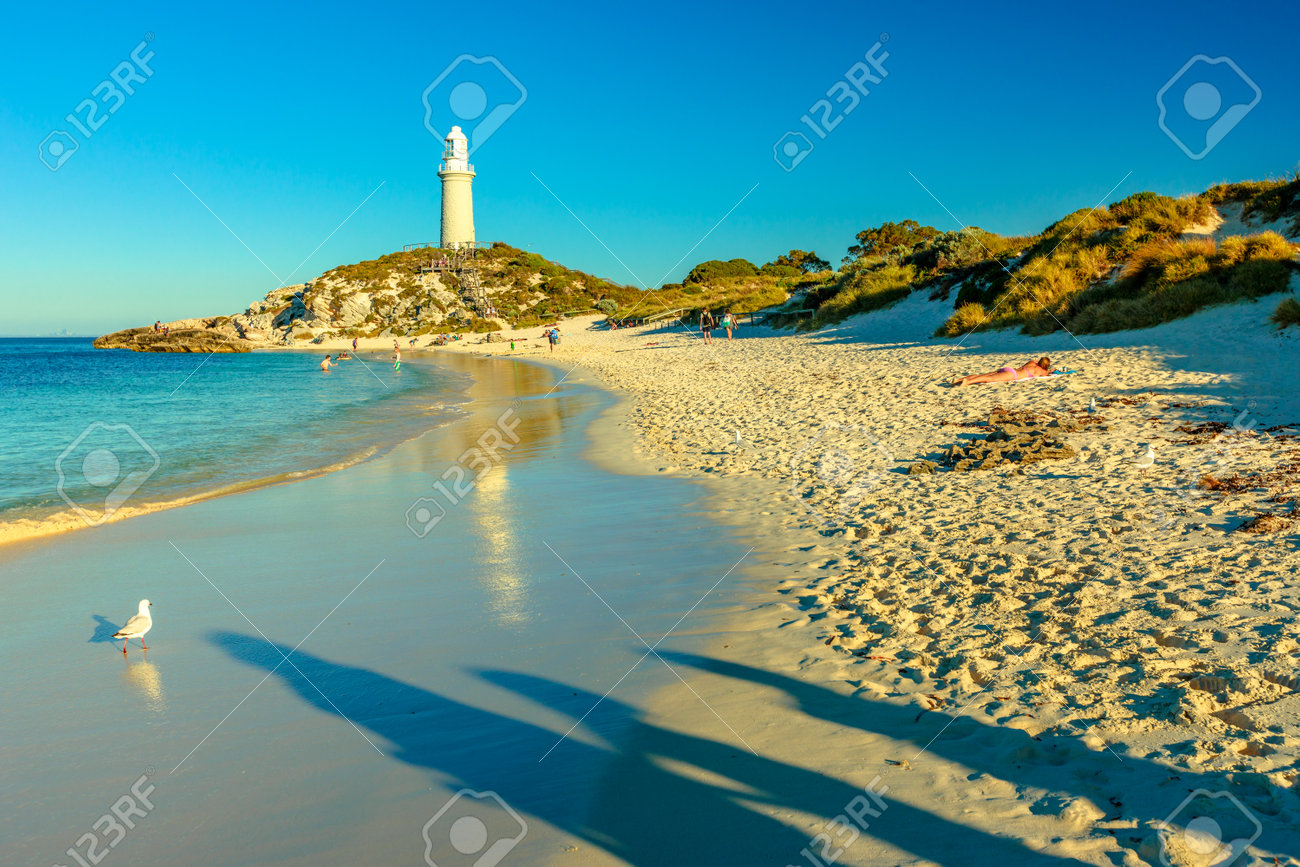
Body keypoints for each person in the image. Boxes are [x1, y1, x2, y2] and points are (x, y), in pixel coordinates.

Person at [951, 357, 1054, 386]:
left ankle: (960, 379)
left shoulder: (1032, 363)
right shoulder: (1040, 370)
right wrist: (1052, 370)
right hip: (1012, 375)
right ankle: (967, 382)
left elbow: (1032, 361)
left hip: (1010, 369)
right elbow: (1048, 373)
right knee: (988, 379)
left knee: (984, 375)